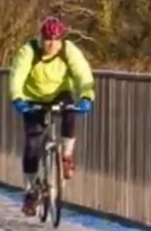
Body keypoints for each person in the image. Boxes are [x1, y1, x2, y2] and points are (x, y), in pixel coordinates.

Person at [7, 16, 96, 216]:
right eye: (47, 39)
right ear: (41, 37)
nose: (50, 44)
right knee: (32, 145)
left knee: (70, 111)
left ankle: (66, 155)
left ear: (61, 39)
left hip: (59, 94)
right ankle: (30, 191)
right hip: (33, 98)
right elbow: (17, 76)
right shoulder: (28, 52)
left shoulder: (69, 51)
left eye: (55, 40)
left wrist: (87, 96)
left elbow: (83, 74)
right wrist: (18, 99)